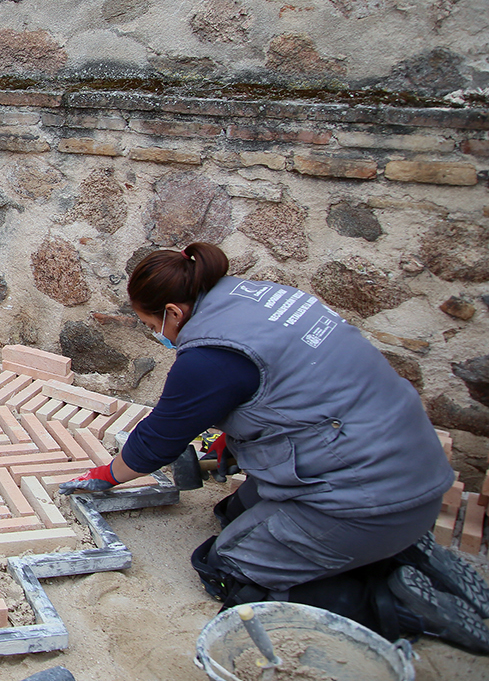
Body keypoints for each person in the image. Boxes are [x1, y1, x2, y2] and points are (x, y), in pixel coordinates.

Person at [59, 242, 489, 653]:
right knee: (232, 514)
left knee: (229, 568)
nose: (159, 335)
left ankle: (395, 603)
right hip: (413, 469)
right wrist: (234, 435)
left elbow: (156, 442)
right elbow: (286, 387)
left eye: (154, 327)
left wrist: (106, 475)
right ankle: (402, 550)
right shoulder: (263, 297)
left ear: (174, 312)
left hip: (368, 497)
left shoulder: (209, 357)